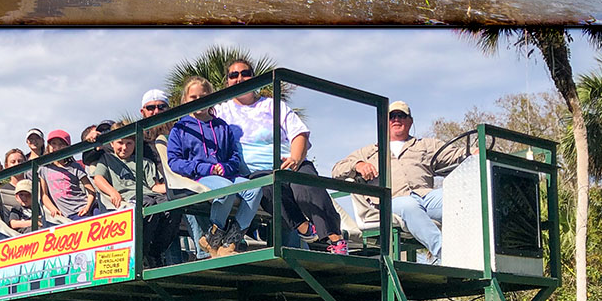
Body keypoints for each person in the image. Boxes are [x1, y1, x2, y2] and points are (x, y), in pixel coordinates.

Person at [218, 57, 347, 253]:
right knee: (267, 187)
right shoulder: (221, 111)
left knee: (307, 184)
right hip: (256, 172)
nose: (240, 79)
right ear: (227, 81)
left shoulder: (272, 105)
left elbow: (299, 133)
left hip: (287, 161)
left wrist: (295, 159)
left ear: (253, 78)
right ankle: (304, 228)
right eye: (233, 75)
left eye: (245, 74)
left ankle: (335, 239)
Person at [332, 101, 471, 263]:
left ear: (410, 121)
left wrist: (474, 152)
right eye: (392, 116)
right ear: (385, 122)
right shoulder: (369, 151)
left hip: (426, 197)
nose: (396, 119)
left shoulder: (426, 145)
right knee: (409, 205)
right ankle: (447, 256)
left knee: (461, 200)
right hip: (391, 202)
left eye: (401, 116)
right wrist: (358, 165)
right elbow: (337, 170)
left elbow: (455, 154)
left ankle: (482, 251)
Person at [166, 76, 260, 258]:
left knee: (255, 189)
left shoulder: (221, 126)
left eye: (204, 95)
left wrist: (225, 167)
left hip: (225, 174)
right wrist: (205, 168)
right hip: (199, 177)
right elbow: (174, 162)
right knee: (227, 189)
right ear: (185, 100)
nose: (199, 100)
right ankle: (213, 238)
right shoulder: (180, 128)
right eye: (193, 97)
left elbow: (234, 156)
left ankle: (230, 241)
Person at [90, 127, 184, 267]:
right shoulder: (106, 159)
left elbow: (155, 187)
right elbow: (98, 178)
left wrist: (179, 187)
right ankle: (142, 252)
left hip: (150, 194)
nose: (124, 147)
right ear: (112, 144)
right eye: (120, 143)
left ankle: (156, 251)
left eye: (129, 143)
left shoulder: (144, 162)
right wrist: (113, 192)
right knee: (147, 204)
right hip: (129, 197)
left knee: (173, 206)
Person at [39, 129, 100, 222]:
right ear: (48, 146)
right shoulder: (44, 169)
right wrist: (53, 209)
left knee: (104, 220)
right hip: (71, 213)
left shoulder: (74, 166)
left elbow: (91, 190)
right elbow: (44, 195)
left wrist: (87, 207)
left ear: (67, 147)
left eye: (61, 144)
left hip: (86, 206)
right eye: (53, 143)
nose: (57, 147)